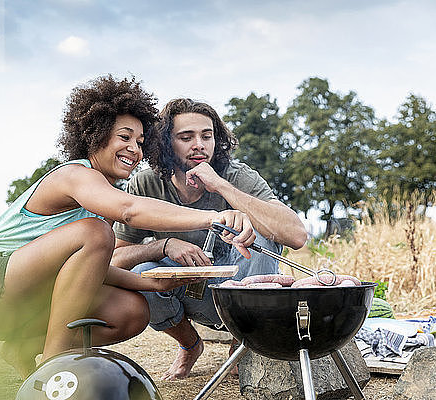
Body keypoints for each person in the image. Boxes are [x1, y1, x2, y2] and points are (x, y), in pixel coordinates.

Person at [0, 77, 256, 379]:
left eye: (141, 142)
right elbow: (129, 210)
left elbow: (91, 270)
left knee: (133, 311)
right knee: (94, 231)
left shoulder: (102, 199)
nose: (134, 149)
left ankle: (26, 347)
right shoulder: (75, 175)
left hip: (23, 299)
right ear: (97, 134)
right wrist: (213, 217)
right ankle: (54, 368)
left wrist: (152, 285)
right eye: (124, 137)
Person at [112, 98, 308, 380]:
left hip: (244, 288)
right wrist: (162, 246)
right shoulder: (147, 183)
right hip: (190, 289)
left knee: (264, 240)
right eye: (186, 137)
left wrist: (219, 185)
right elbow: (116, 260)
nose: (199, 145)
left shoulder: (237, 176)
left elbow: (297, 236)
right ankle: (190, 344)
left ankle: (241, 346)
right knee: (142, 273)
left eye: (207, 135)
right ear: (166, 144)